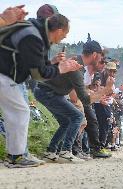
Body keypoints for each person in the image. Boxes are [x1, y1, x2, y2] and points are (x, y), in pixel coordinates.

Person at [0, 13, 81, 168]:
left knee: (16, 114)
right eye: (65, 34)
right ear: (58, 30)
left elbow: (37, 64)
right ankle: (17, 157)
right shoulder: (35, 37)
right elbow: (38, 74)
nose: (64, 38)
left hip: (9, 74)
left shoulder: (36, 31)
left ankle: (15, 155)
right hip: (7, 74)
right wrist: (60, 68)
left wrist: (53, 62)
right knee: (20, 113)